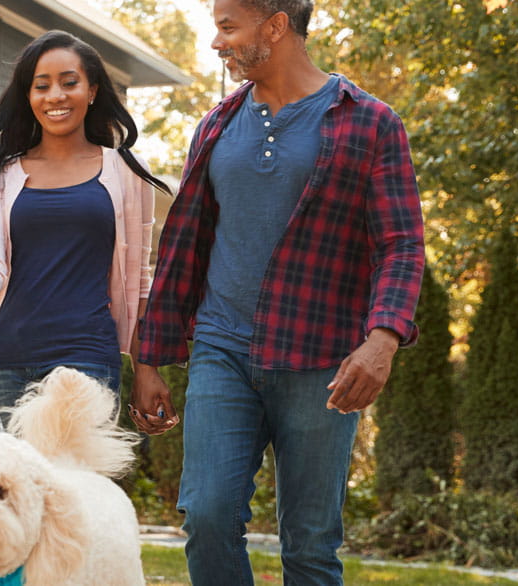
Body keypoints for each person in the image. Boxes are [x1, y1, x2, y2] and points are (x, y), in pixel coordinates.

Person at [129, 0, 425, 584]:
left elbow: (401, 244)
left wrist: (382, 341)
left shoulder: (369, 121)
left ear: (276, 26)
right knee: (208, 517)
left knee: (310, 548)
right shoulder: (215, 125)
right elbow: (184, 247)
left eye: (227, 27)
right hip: (222, 350)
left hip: (321, 360)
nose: (217, 43)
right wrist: (149, 359)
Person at [0, 30, 172, 413]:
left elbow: (139, 281)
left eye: (69, 83)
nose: (55, 96)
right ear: (28, 96)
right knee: (13, 475)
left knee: (76, 475)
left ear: (92, 90)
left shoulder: (127, 172)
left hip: (88, 361)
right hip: (7, 361)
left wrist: (145, 369)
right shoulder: (0, 173)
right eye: (41, 86)